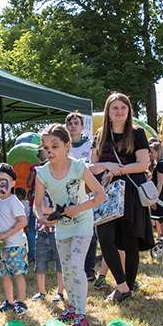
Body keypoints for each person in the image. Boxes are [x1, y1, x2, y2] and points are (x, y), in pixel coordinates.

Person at [35, 124, 106, 326]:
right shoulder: (42, 172)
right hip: (62, 226)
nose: (49, 151)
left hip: (82, 221)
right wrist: (42, 218)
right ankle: (72, 308)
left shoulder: (78, 167)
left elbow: (100, 195)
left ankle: (82, 315)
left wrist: (78, 209)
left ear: (67, 146)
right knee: (65, 269)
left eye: (54, 146)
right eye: (45, 147)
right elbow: (37, 205)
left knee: (76, 265)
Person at [89, 92, 153, 303]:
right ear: (108, 111)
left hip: (131, 192)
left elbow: (143, 164)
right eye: (115, 107)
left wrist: (119, 170)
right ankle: (122, 285)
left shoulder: (137, 133)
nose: (119, 111)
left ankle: (127, 288)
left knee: (129, 240)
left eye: (123, 107)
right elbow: (92, 166)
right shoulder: (100, 135)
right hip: (107, 193)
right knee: (105, 237)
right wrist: (107, 165)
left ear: (128, 111)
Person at [0, 163, 29, 315]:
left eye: (3, 183)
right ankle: (9, 302)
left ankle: (21, 303)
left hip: (15, 245)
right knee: (4, 275)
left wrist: (5, 234)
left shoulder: (14, 202)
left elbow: (23, 222)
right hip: (2, 247)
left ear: (13, 184)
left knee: (17, 275)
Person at [66, 111, 98, 281]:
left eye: (76, 123)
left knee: (90, 232)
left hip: (88, 194)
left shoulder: (90, 145)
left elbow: (93, 168)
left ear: (82, 126)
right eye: (70, 123)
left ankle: (89, 269)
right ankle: (74, 268)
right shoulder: (63, 146)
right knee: (72, 233)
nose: (73, 126)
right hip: (69, 194)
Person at [31, 189, 66, 303]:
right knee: (40, 263)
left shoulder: (61, 188)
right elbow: (39, 208)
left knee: (60, 264)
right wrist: (60, 211)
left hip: (58, 232)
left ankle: (60, 293)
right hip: (41, 232)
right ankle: (41, 293)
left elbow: (43, 209)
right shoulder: (40, 189)